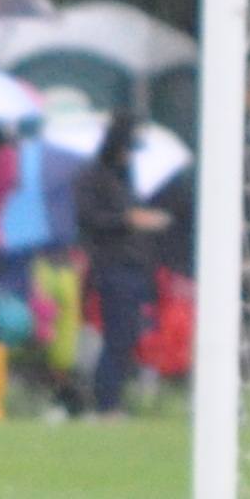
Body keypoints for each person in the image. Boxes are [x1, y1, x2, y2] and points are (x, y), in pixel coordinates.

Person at [76, 108, 175, 418]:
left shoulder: (125, 179)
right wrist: (129, 219)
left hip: (133, 268)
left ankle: (112, 400)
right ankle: (106, 403)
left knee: (128, 335)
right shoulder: (92, 177)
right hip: (112, 266)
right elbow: (91, 220)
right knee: (117, 335)